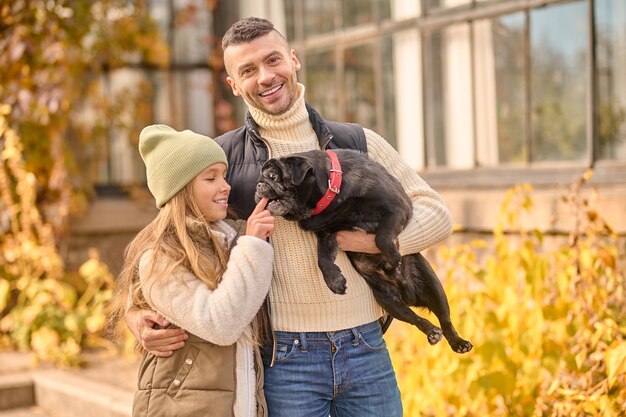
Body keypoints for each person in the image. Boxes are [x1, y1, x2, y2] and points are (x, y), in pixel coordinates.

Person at [127, 17, 453, 417]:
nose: (265, 76)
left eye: (273, 60)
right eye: (247, 70)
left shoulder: (358, 142)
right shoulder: (221, 159)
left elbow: (437, 213)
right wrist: (136, 314)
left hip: (366, 347)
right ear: (233, 84)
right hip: (284, 361)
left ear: (294, 60)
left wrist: (368, 241)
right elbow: (169, 238)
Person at [109, 124, 275, 417]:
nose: (226, 186)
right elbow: (219, 324)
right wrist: (251, 246)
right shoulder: (160, 258)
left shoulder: (230, 240)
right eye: (210, 178)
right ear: (180, 190)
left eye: (223, 176)